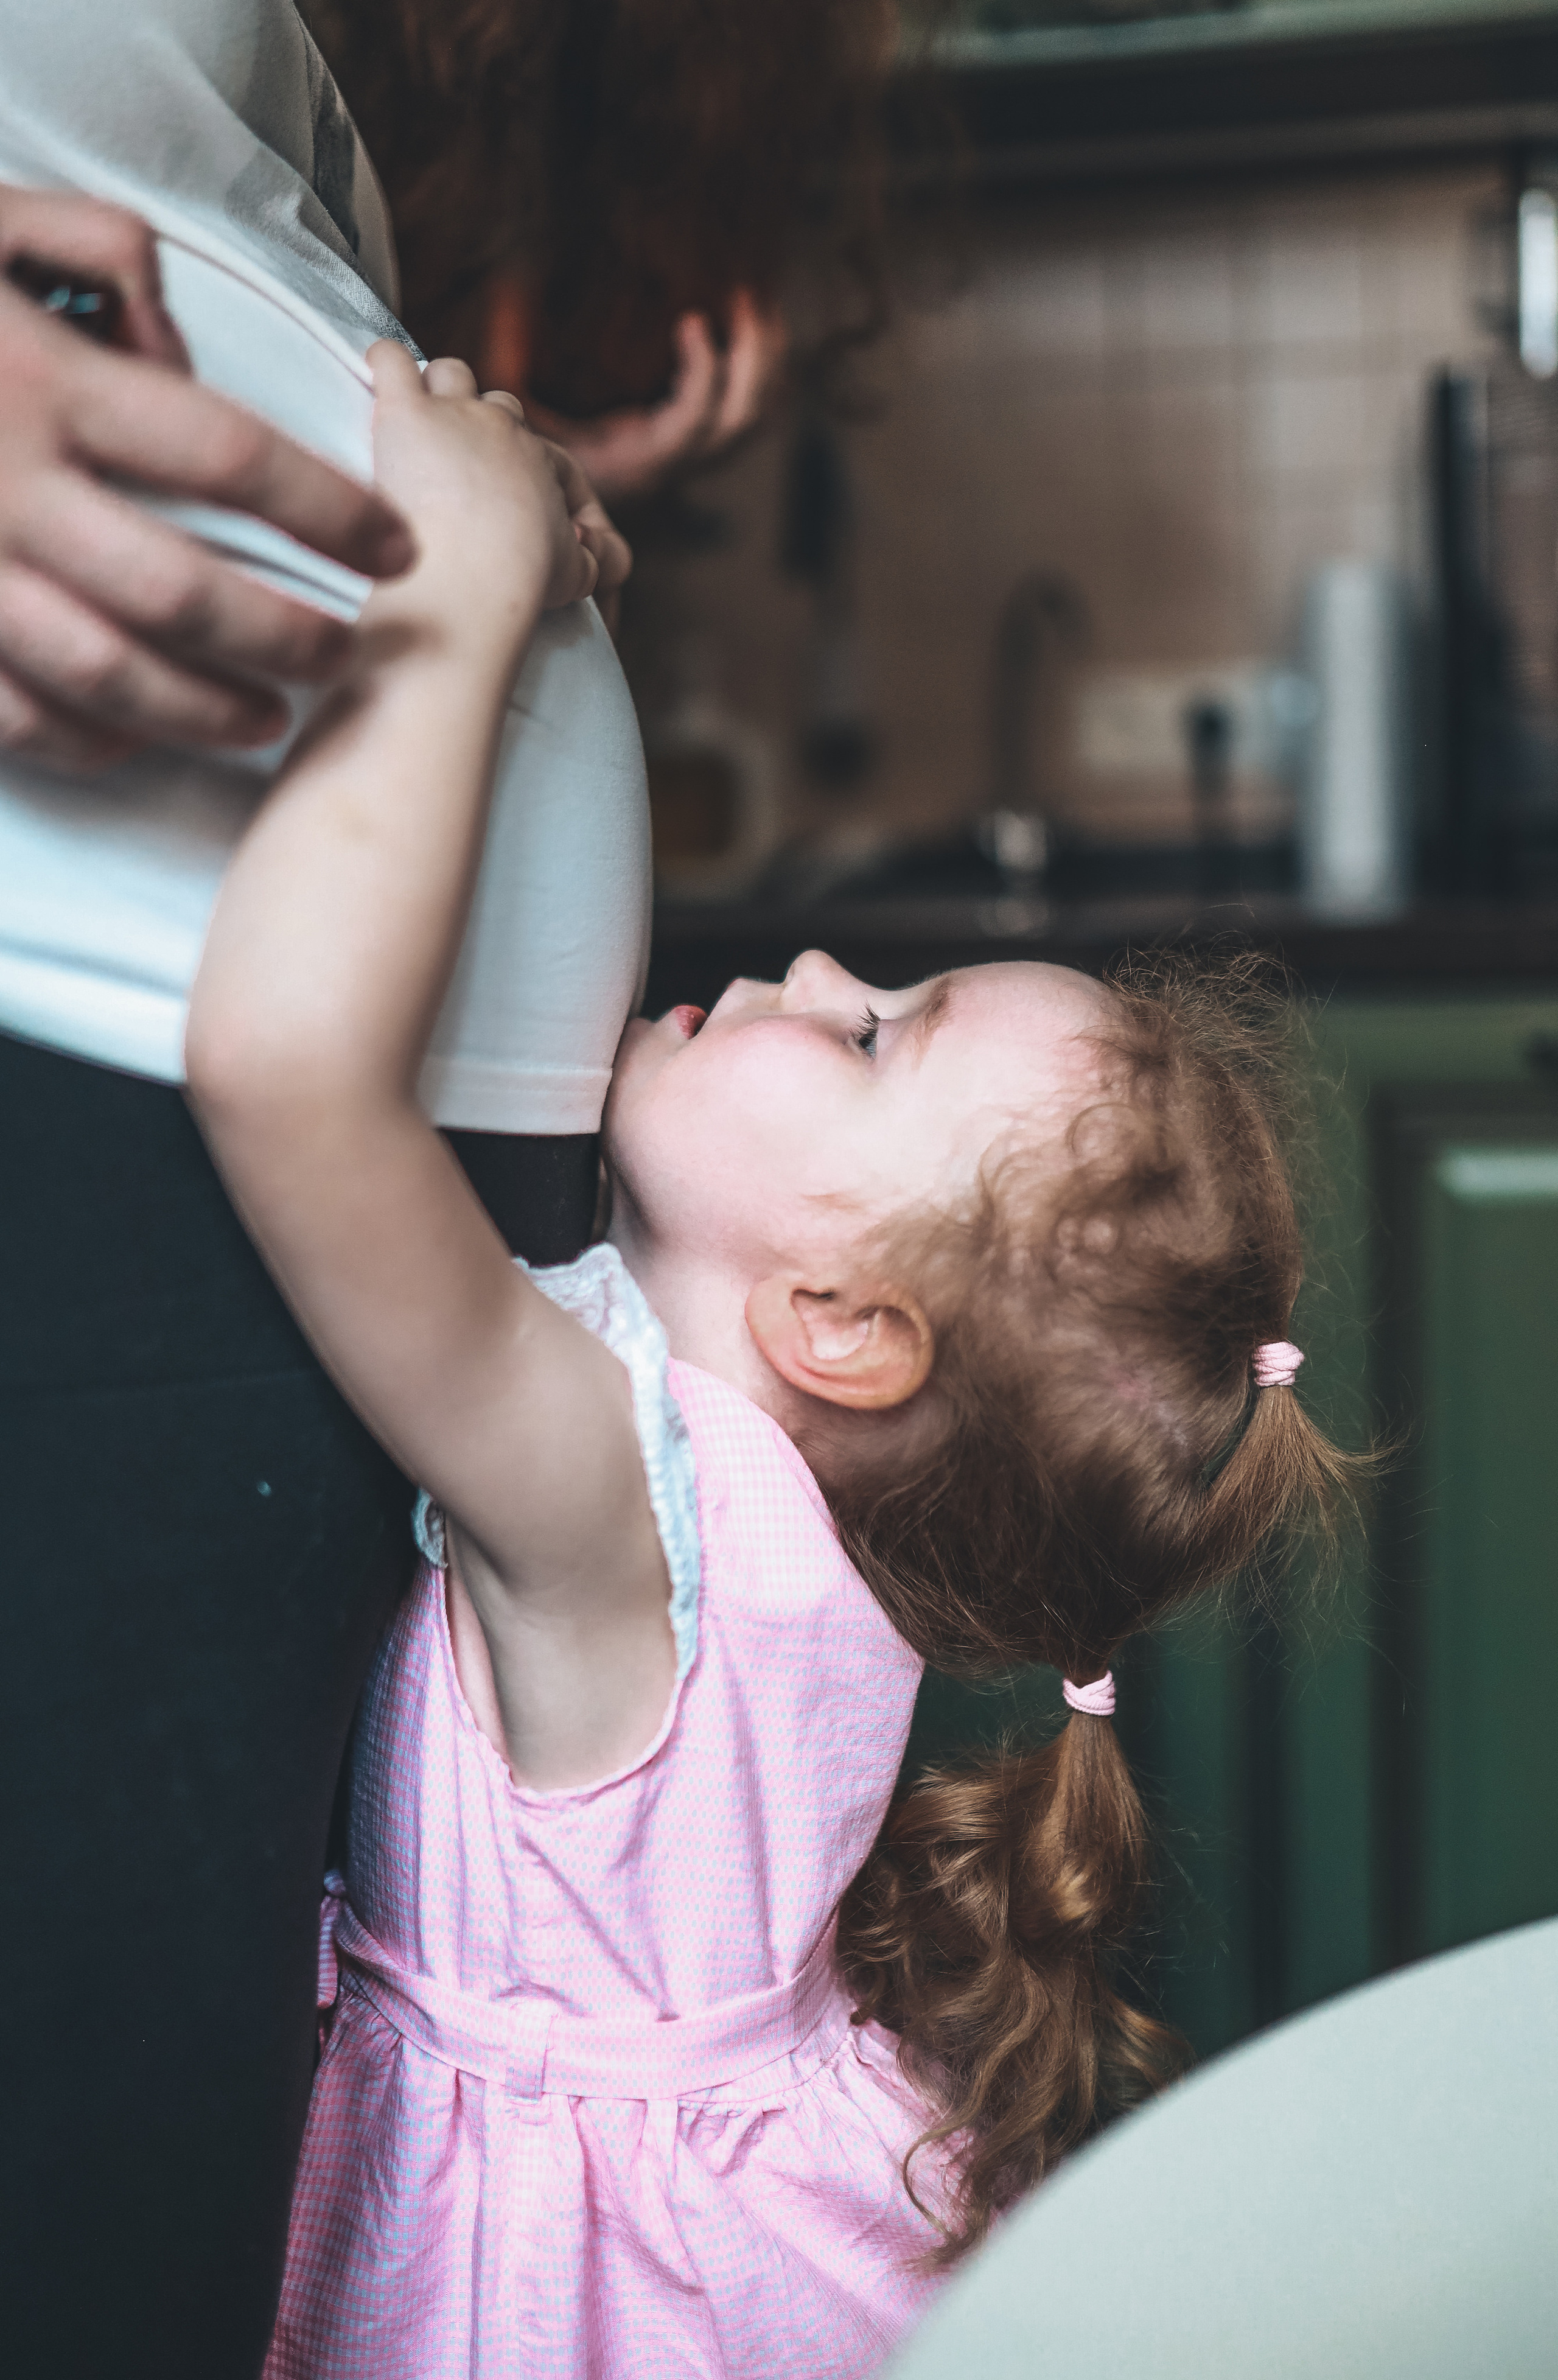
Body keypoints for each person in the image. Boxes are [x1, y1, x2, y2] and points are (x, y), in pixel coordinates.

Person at [185, 344, 1364, 2380]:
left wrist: (462, 600)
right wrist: (549, 654)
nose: (814, 966)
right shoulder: (778, 1492)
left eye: (871, 1030)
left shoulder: (606, 1505)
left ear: (845, 1325)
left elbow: (285, 1070)